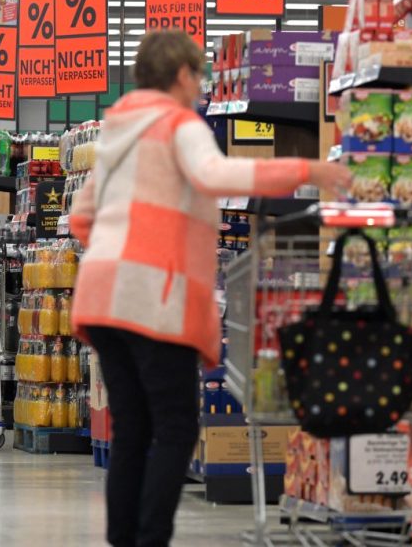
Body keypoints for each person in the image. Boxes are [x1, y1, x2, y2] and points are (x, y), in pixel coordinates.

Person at [69, 30, 352, 547]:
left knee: (132, 429)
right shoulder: (179, 123)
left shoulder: (117, 133)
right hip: (154, 298)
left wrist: (118, 250)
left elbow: (80, 217)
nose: (201, 87)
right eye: (199, 75)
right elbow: (213, 172)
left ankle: (123, 540)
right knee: (176, 427)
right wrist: (308, 169)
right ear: (181, 75)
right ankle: (151, 540)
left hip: (102, 296)